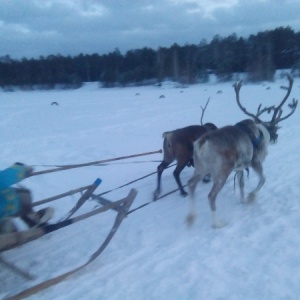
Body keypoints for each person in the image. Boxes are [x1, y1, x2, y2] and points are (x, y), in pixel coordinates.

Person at [0, 162, 53, 233]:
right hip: (10, 205)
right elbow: (7, 176)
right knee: (21, 197)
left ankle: (6, 229)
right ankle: (32, 218)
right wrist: (22, 169)